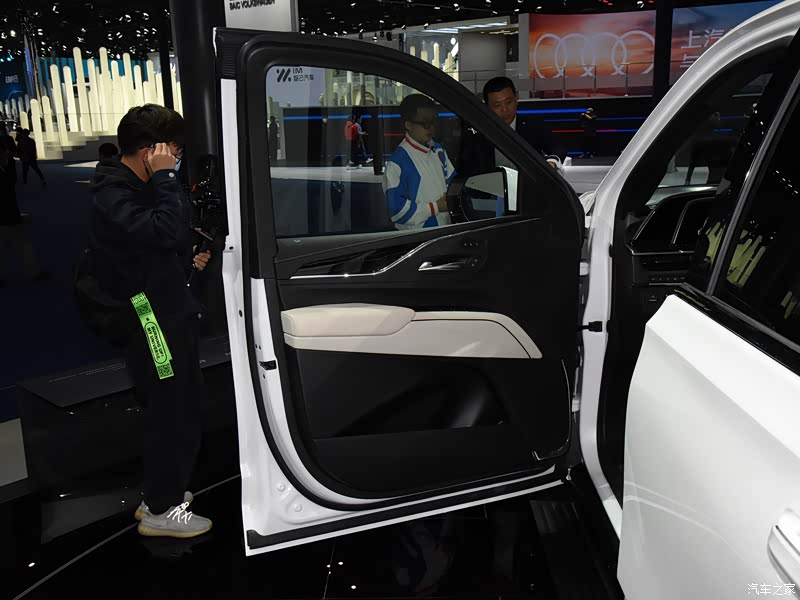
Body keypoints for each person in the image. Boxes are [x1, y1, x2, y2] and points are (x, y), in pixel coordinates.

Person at [88, 104, 213, 538]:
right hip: (149, 316)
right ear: (149, 152)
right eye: (173, 151)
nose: (177, 159)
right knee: (172, 407)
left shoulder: (131, 186)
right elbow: (165, 232)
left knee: (181, 401)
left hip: (162, 304)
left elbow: (160, 242)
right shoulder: (114, 193)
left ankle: (161, 492)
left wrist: (186, 261)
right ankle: (163, 509)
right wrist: (165, 179)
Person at [383, 94, 455, 230]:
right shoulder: (397, 162)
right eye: (425, 123)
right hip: (417, 237)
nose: (431, 128)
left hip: (445, 230)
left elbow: (453, 183)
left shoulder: (439, 150)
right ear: (408, 125)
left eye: (433, 121)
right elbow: (397, 211)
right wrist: (435, 207)